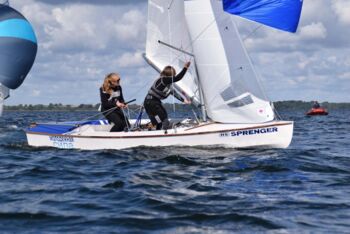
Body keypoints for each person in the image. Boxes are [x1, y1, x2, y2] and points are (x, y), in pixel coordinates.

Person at [144, 61, 191, 130]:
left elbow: (175, 94)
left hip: (149, 103)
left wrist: (185, 100)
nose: (174, 76)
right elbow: (177, 78)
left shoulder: (167, 85)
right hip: (152, 103)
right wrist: (185, 67)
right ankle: (162, 132)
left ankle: (153, 129)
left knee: (159, 121)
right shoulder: (163, 80)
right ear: (170, 74)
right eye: (173, 74)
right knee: (164, 119)